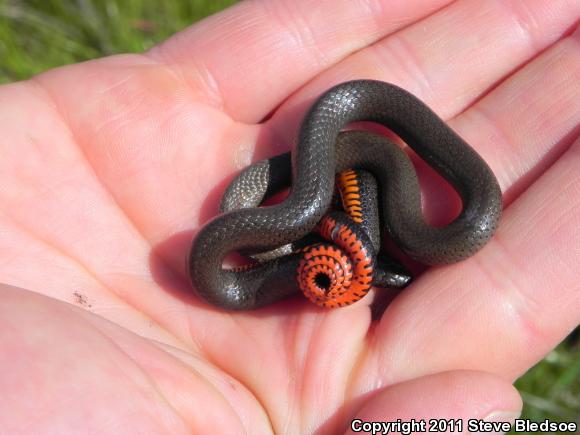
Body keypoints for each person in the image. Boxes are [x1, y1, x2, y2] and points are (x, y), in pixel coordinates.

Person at [0, 0, 578, 433]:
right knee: (319, 198)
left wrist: (338, 232)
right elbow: (323, 222)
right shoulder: (323, 222)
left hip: (328, 206)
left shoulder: (393, 215)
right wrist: (328, 231)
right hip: (309, 217)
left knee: (351, 191)